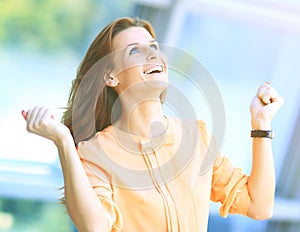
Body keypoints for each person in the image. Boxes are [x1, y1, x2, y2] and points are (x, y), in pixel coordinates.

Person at [21, 17, 284, 232]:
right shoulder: (95, 153)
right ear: (111, 76)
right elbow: (95, 226)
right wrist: (64, 142)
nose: (152, 55)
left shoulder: (196, 136)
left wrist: (260, 124)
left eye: (154, 46)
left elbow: (258, 205)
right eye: (135, 50)